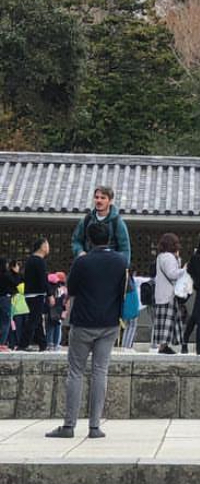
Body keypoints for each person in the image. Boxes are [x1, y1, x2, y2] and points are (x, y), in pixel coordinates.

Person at [45, 220, 128, 439]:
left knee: (75, 372)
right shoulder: (120, 261)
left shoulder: (83, 262)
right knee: (100, 371)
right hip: (109, 322)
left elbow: (71, 288)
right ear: (109, 238)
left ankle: (69, 425)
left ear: (89, 240)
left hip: (83, 321)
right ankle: (94, 426)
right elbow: (124, 289)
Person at [70, 185, 131, 261]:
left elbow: (125, 249)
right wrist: (80, 252)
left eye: (103, 198)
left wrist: (121, 265)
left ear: (110, 201)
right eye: (96, 197)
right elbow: (76, 241)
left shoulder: (117, 223)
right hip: (89, 263)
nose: (99, 200)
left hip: (109, 265)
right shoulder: (87, 220)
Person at [152, 233, 185, 354]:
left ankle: (163, 345)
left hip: (161, 294)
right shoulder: (168, 257)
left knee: (163, 321)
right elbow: (173, 274)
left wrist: (178, 259)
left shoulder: (161, 257)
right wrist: (185, 270)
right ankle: (164, 346)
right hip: (168, 294)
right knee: (168, 320)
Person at [17, 238, 49, 352]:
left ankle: (43, 344)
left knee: (37, 320)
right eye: (47, 244)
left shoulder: (30, 260)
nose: (48, 247)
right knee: (33, 320)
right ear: (42, 246)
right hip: (37, 294)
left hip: (30, 294)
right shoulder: (39, 261)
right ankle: (22, 344)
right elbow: (43, 280)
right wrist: (49, 294)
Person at [0, 257, 18, 352]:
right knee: (5, 322)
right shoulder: (6, 276)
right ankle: (2, 343)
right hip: (5, 299)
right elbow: (15, 284)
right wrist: (15, 272)